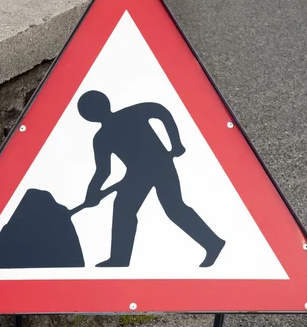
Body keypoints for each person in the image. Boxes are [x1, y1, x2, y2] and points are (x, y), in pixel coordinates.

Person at [78, 90, 225, 267]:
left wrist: (176, 143)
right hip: (137, 173)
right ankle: (119, 259)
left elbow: (161, 111)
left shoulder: (128, 116)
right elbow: (103, 171)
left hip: (160, 165)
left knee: (173, 208)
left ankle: (213, 243)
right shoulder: (101, 138)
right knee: (124, 209)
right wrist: (92, 192)